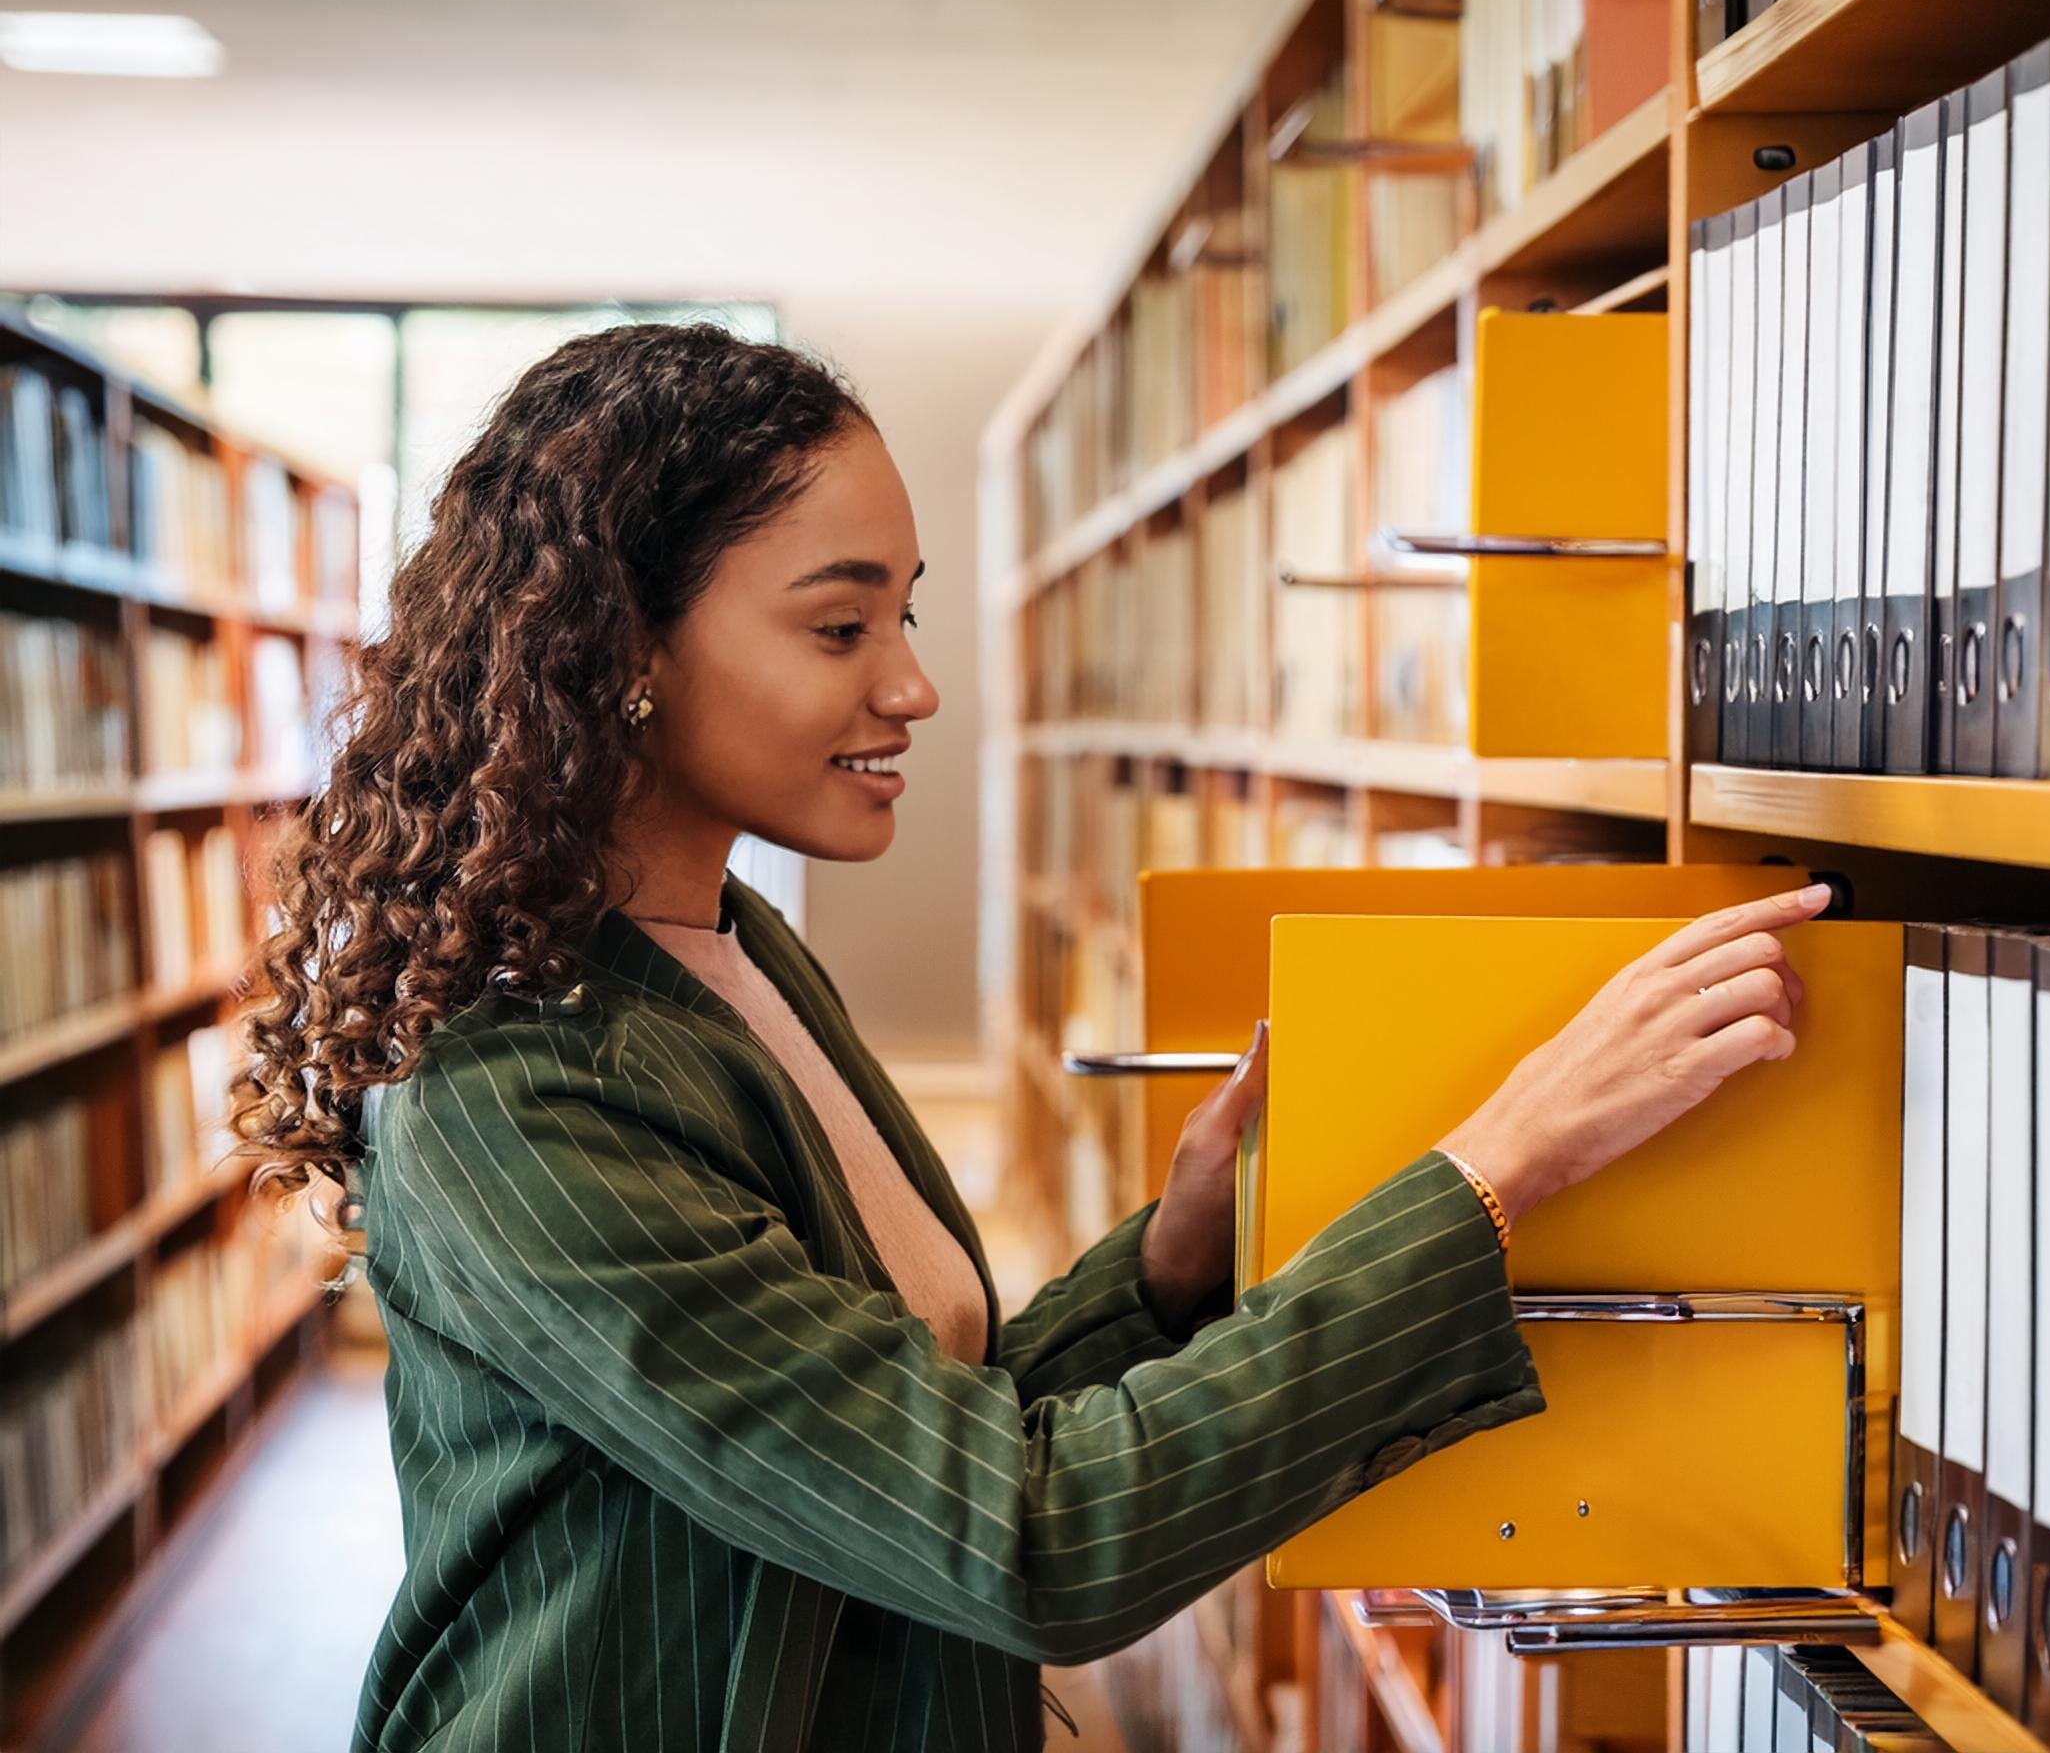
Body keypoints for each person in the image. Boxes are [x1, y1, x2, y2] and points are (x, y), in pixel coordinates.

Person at [236, 322, 1823, 1753]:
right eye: (839, 627)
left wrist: (1177, 1263)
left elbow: (925, 1425)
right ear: (623, 653)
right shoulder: (519, 1089)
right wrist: (1504, 1163)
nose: (916, 684)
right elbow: (1025, 1536)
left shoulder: (730, 950)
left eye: (904, 615)